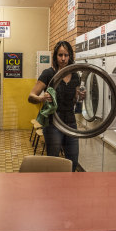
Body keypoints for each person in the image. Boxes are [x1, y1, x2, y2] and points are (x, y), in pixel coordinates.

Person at [28, 41, 84, 171]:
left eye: (66, 55)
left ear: (70, 56)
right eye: (60, 55)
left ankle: (67, 189)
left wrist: (79, 96)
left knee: (73, 162)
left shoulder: (75, 75)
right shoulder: (48, 73)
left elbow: (74, 100)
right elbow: (31, 96)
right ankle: (52, 190)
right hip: (53, 123)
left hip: (70, 122)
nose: (63, 58)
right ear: (55, 56)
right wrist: (41, 98)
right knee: (54, 162)